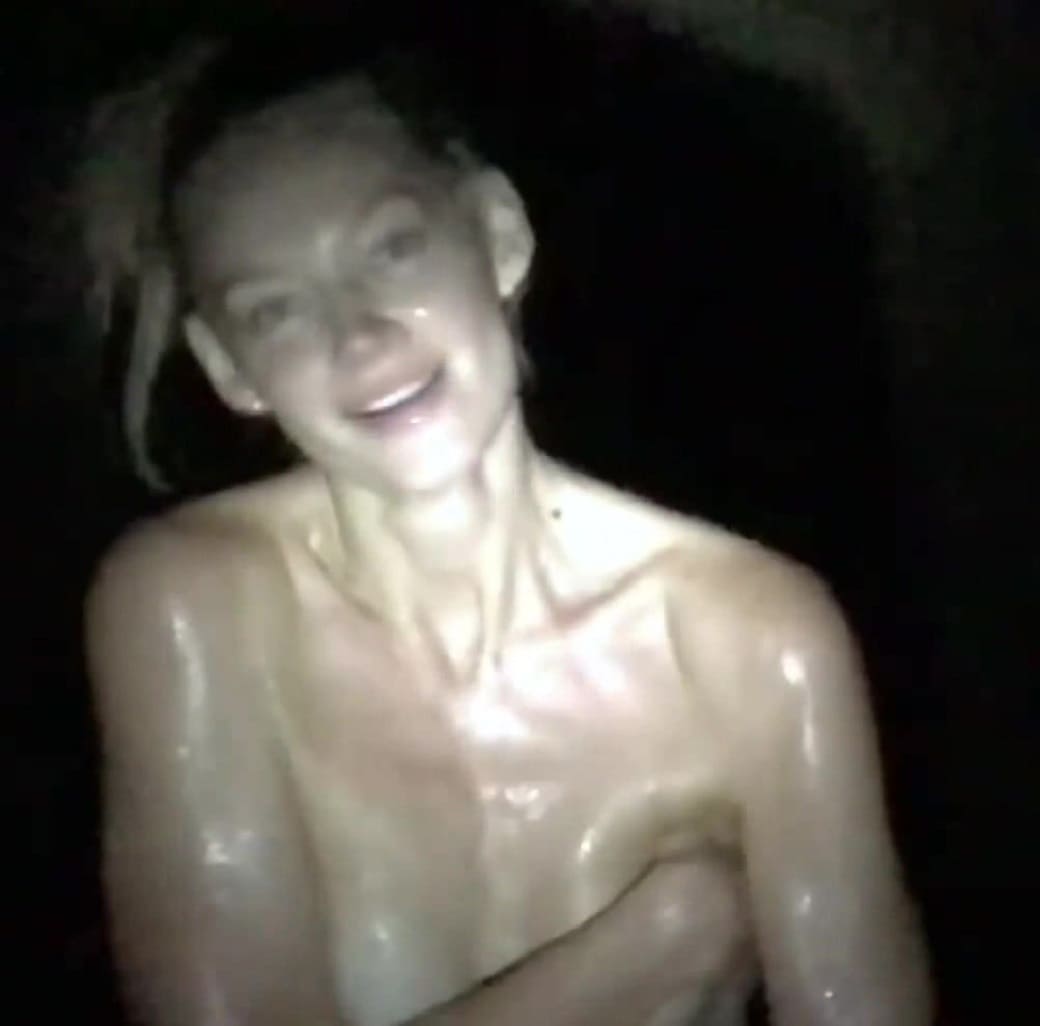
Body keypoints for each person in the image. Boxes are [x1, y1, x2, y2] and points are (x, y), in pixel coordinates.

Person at [80, 33, 933, 1026]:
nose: (359, 337)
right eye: (275, 310)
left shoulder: (754, 641)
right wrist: (661, 941)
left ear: (497, 234)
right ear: (228, 368)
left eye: (392, 249)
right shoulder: (195, 607)